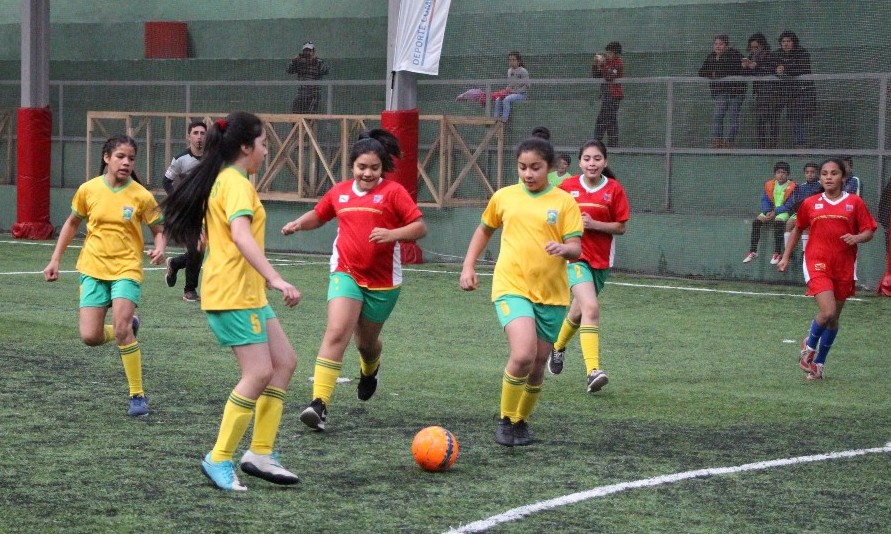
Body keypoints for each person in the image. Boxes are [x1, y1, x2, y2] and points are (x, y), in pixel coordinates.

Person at [162, 112, 302, 491]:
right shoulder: (235, 184)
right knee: (257, 373)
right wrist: (275, 277)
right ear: (246, 147)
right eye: (264, 144)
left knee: (285, 363)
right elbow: (241, 235)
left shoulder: (227, 180)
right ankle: (219, 458)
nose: (266, 151)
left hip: (246, 292)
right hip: (233, 293)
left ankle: (260, 453)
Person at [281, 129, 427, 432]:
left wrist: (392, 235)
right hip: (345, 273)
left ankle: (369, 371)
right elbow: (320, 215)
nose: (368, 173)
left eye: (374, 167)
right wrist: (298, 224)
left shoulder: (394, 193)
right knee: (336, 333)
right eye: (362, 167)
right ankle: (318, 404)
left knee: (367, 343)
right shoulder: (340, 192)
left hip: (383, 282)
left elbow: (419, 227)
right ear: (352, 167)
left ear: (382, 167)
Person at [460, 137, 583, 447]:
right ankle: (504, 419)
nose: (528, 174)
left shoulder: (564, 203)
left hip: (552, 295)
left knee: (539, 362)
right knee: (524, 354)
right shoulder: (504, 197)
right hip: (511, 286)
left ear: (550, 167)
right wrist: (468, 266)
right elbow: (484, 229)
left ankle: (520, 421)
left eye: (535, 168)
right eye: (522, 168)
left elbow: (577, 250)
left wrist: (564, 248)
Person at [43, 135, 166, 417]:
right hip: (93, 268)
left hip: (126, 268)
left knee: (120, 329)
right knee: (90, 336)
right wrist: (55, 260)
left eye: (131, 158)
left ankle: (137, 395)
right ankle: (129, 327)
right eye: (121, 156)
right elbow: (72, 224)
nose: (126, 162)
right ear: (107, 158)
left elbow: (159, 230)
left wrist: (159, 248)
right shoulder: (88, 190)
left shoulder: (141, 195)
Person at [777, 157, 877, 380]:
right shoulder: (811, 203)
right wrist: (785, 256)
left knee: (833, 319)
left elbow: (869, 231)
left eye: (834, 173)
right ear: (820, 178)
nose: (829, 177)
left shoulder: (855, 203)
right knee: (828, 311)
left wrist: (857, 237)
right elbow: (797, 228)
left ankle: (819, 364)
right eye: (825, 173)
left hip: (844, 265)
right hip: (816, 261)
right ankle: (809, 348)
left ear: (843, 177)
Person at [549, 139, 630, 393]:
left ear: (605, 162)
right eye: (587, 159)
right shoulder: (567, 187)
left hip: (602, 260)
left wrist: (594, 224)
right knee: (591, 308)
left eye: (597, 159)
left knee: (577, 313)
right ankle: (593, 371)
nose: (592, 163)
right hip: (576, 258)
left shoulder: (614, 189)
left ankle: (558, 347)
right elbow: (551, 211)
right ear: (580, 162)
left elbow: (621, 227)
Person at [163, 119, 207, 302]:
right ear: (189, 136)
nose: (199, 137)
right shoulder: (181, 159)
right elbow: (166, 182)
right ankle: (189, 290)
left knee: (199, 250)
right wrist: (179, 199)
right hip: (189, 212)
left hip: (208, 210)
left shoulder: (212, 158)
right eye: (195, 133)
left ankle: (175, 263)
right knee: (196, 249)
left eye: (202, 133)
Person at [743, 161, 796, 265]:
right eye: (778, 172)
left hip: (784, 211)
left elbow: (790, 204)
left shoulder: (793, 186)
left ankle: (777, 253)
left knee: (778, 222)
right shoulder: (769, 185)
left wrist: (775, 212)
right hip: (770, 210)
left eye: (784, 172)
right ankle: (753, 251)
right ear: (775, 174)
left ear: (788, 174)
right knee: (756, 222)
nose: (781, 175)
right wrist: (767, 211)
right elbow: (765, 200)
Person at [698, 34, 746, 148]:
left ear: (726, 45)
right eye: (715, 44)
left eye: (720, 44)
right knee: (718, 116)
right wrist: (712, 73)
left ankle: (729, 142)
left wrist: (718, 73)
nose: (717, 46)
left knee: (733, 117)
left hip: (735, 92)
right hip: (720, 92)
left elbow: (738, 67)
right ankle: (717, 141)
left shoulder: (734, 54)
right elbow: (702, 72)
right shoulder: (711, 57)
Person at [774, 31, 816, 149]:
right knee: (793, 118)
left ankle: (801, 145)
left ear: (793, 42)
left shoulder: (802, 53)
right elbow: (771, 64)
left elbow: (801, 67)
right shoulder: (777, 54)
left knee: (798, 117)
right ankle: (798, 143)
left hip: (803, 91)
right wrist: (776, 69)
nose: (786, 44)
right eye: (783, 41)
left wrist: (785, 68)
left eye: (788, 41)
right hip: (787, 93)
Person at [741, 33, 779, 149]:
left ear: (762, 46)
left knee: (772, 118)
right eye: (752, 47)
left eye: (756, 47)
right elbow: (749, 74)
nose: (754, 50)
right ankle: (762, 144)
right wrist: (745, 67)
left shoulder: (770, 56)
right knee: (760, 120)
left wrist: (756, 66)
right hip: (760, 92)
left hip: (771, 92)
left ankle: (772, 144)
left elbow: (771, 70)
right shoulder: (752, 57)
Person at [781, 162, 822, 253]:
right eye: (807, 172)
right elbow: (795, 201)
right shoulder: (800, 187)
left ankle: (804, 252)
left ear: (817, 173)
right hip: (800, 212)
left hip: (814, 213)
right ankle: (788, 250)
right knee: (789, 224)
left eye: (812, 172)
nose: (809, 174)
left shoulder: (821, 186)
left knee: (806, 227)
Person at [592, 42, 624, 147]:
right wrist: (596, 65)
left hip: (613, 96)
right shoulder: (607, 63)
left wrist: (602, 65)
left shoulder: (617, 63)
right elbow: (597, 76)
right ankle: (612, 144)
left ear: (615, 53)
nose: (608, 54)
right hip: (606, 95)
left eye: (610, 52)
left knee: (603, 119)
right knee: (611, 120)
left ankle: (596, 142)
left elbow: (610, 76)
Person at [287, 41, 330, 114]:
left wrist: (315, 61)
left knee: (310, 116)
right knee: (295, 114)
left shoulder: (318, 61)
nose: (307, 53)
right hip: (301, 93)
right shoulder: (299, 62)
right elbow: (289, 70)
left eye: (309, 51)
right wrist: (294, 61)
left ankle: (310, 125)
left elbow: (326, 70)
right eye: (305, 51)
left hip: (313, 94)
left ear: (313, 51)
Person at [492, 51, 529, 123]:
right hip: (510, 93)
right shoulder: (509, 71)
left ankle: (504, 119)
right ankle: (496, 119)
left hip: (521, 95)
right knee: (498, 99)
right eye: (510, 60)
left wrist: (515, 91)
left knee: (507, 99)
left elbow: (527, 86)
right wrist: (507, 89)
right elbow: (510, 84)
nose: (511, 62)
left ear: (519, 61)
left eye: (514, 60)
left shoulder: (523, 71)